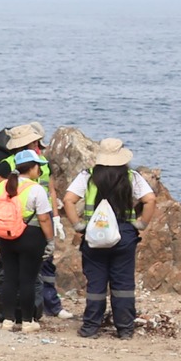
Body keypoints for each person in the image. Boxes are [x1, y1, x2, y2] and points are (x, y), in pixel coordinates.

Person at [67, 136, 154, 339]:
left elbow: (69, 200)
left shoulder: (88, 176)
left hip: (94, 233)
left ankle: (91, 327)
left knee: (96, 283)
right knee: (123, 284)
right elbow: (150, 200)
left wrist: (78, 225)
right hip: (124, 233)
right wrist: (141, 224)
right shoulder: (131, 177)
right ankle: (125, 328)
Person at [0, 148, 55, 331]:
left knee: (9, 278)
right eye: (38, 167)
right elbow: (44, 218)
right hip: (31, 237)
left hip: (6, 236)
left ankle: (8, 320)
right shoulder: (36, 189)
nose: (39, 170)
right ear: (32, 168)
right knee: (28, 279)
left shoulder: (2, 187)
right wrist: (50, 240)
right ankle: (27, 321)